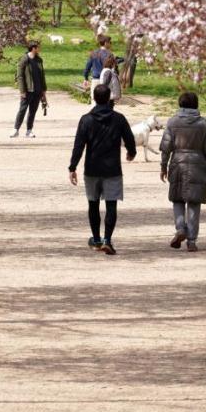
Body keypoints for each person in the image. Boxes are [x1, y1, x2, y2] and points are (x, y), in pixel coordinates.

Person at [68, 84, 136, 255]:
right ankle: (107, 239)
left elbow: (79, 145)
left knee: (93, 204)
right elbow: (129, 138)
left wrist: (73, 166)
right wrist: (131, 152)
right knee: (111, 204)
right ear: (108, 98)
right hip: (112, 168)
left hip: (92, 168)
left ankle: (96, 238)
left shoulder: (86, 119)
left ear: (94, 97)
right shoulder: (119, 118)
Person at [159, 91, 206, 252]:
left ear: (180, 104)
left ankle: (180, 229)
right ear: (196, 105)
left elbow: (166, 148)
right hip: (199, 165)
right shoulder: (203, 124)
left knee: (177, 199)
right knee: (194, 202)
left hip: (177, 163)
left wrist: (163, 166)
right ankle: (191, 241)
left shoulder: (172, 122)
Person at [11, 40, 48, 138]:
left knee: (33, 111)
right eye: (38, 47)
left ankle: (29, 130)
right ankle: (16, 130)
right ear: (33, 48)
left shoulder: (39, 60)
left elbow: (42, 76)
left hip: (37, 90)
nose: (39, 49)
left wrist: (44, 89)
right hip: (27, 90)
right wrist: (22, 90)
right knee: (22, 110)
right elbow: (20, 76)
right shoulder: (24, 60)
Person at [83, 35, 113, 103]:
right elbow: (113, 69)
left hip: (95, 80)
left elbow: (87, 67)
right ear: (105, 43)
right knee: (105, 101)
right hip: (106, 81)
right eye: (109, 42)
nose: (110, 44)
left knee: (94, 100)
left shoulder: (93, 53)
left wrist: (85, 78)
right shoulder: (110, 54)